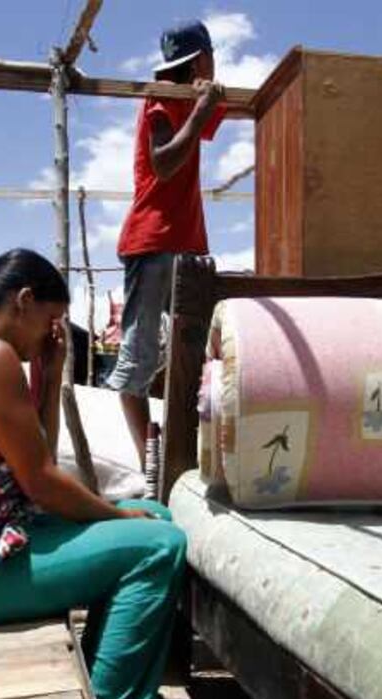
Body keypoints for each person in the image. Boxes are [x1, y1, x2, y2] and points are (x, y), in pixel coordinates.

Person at [0, 248, 188, 699]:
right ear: (25, 300)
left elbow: (40, 462)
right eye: (51, 318)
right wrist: (117, 514)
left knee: (155, 519)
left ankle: (101, 682)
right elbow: (41, 482)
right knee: (158, 544)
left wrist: (51, 377)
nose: (52, 332)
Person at [107, 19, 226, 468]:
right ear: (202, 58)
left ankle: (181, 454)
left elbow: (211, 122)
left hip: (186, 244)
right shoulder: (161, 96)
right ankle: (150, 466)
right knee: (138, 360)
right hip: (154, 241)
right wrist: (199, 108)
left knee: (192, 351)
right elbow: (163, 164)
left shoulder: (189, 97)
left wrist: (206, 102)